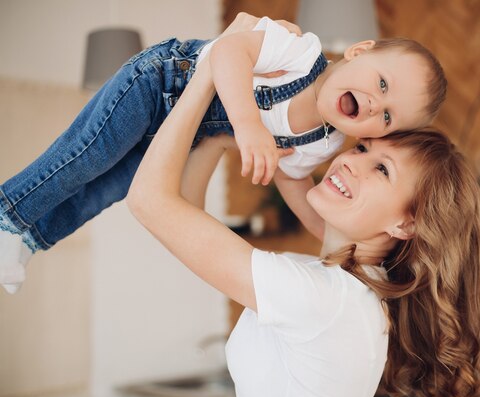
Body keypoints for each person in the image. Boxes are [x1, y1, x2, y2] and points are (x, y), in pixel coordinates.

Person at [126, 46, 480, 397]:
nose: (351, 162)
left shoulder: (324, 297)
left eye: (382, 170)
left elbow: (149, 201)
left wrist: (210, 72)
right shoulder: (340, 289)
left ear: (406, 223)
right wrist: (224, 135)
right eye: (363, 147)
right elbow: (183, 214)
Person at [0, 12, 446, 294]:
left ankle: (30, 240)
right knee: (86, 158)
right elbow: (231, 48)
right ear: (360, 51)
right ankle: (8, 215)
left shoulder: (324, 142)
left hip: (181, 131)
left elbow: (294, 180)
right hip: (158, 84)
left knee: (108, 188)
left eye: (386, 117)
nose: (373, 103)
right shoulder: (299, 53)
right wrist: (249, 124)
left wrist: (327, 236)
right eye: (382, 84)